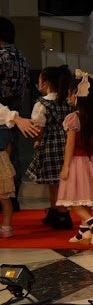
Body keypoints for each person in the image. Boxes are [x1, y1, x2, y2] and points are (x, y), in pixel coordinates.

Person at [56, 71, 93, 246]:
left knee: (72, 199)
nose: (68, 96)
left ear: (77, 95)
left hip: (77, 162)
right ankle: (84, 232)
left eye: (70, 93)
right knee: (85, 197)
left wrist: (66, 167)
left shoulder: (73, 118)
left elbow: (70, 145)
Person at [26, 65, 73, 230]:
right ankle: (55, 212)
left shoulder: (42, 103)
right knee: (59, 182)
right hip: (68, 143)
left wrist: (38, 140)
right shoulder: (67, 101)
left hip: (51, 145)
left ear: (45, 82)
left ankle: (62, 215)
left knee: (54, 183)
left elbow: (39, 127)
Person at [0, 16, 31, 208]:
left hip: (1, 112)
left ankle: (3, 197)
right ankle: (13, 198)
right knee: (13, 154)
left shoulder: (0, 56)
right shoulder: (22, 57)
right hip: (17, 110)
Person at [0, 124, 13, 237]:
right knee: (5, 198)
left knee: (4, 198)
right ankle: (6, 227)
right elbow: (9, 147)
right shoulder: (5, 127)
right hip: (3, 160)